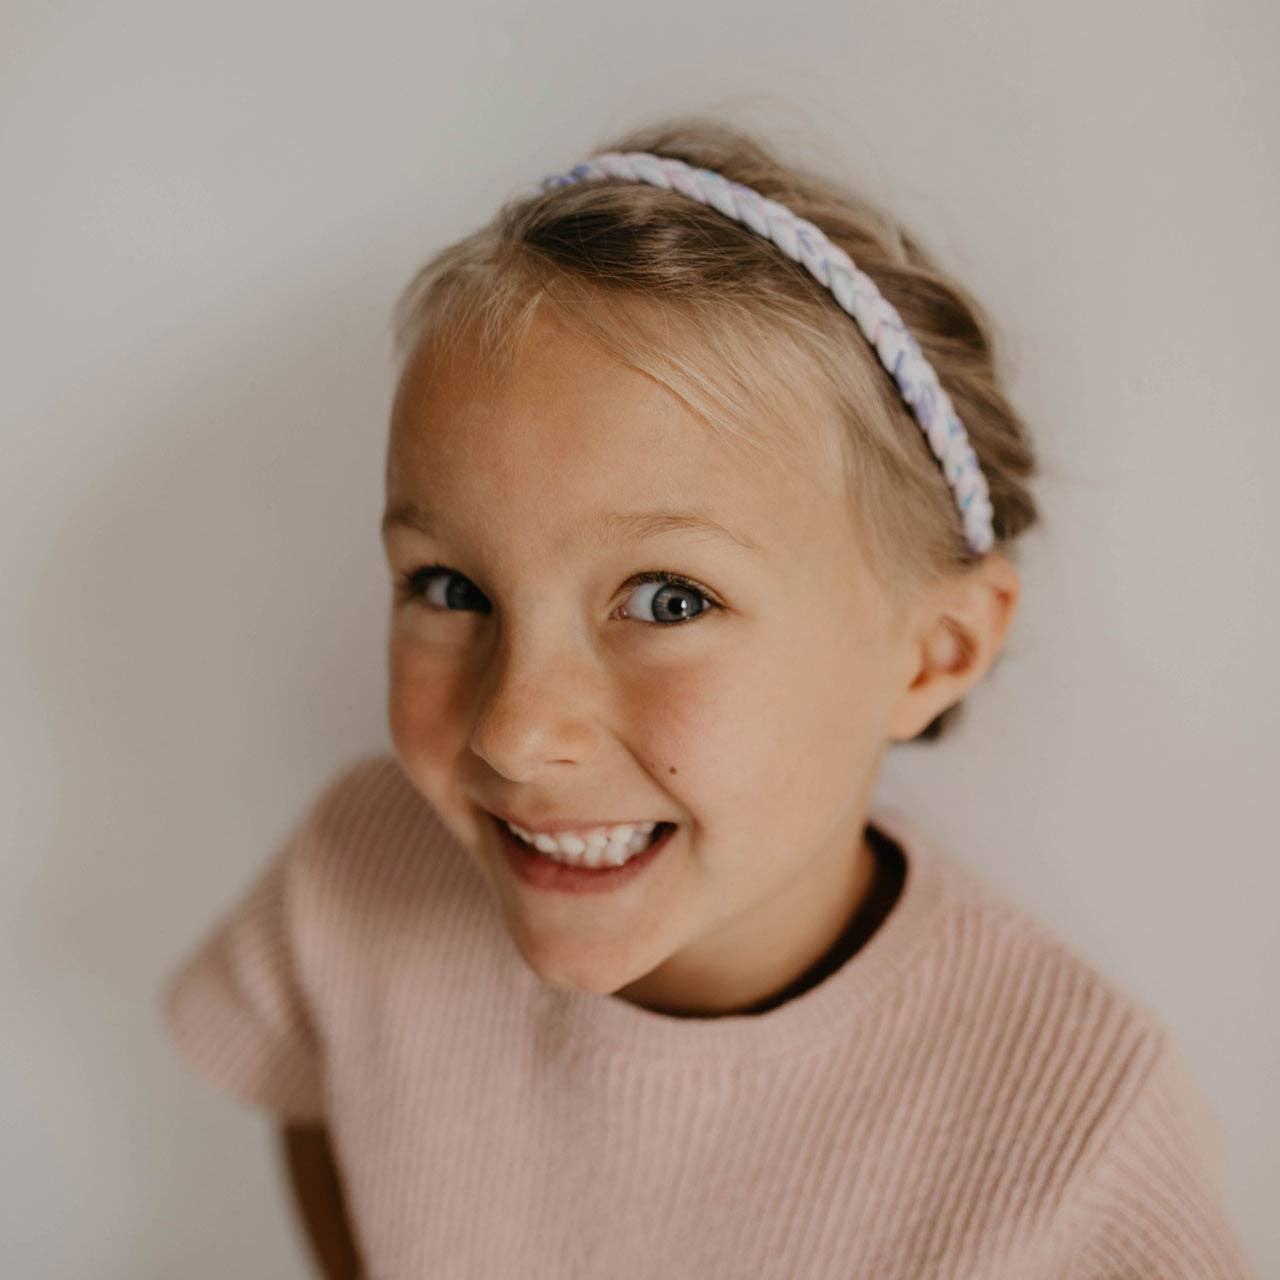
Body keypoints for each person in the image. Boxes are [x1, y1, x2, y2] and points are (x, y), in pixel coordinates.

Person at [158, 116, 1258, 1279]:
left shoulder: (1075, 1124)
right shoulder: (358, 875)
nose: (515, 731)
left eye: (669, 598)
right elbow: (314, 1096)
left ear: (931, 649)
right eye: (447, 584)